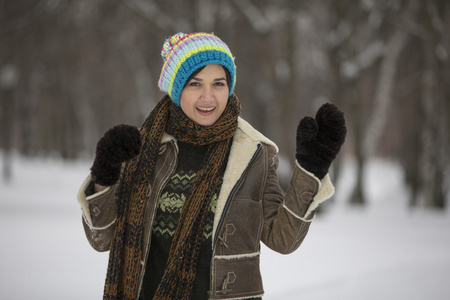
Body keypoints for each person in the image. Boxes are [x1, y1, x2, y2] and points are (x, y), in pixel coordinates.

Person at [77, 32, 346, 300]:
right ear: (176, 88)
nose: (209, 97)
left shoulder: (253, 154)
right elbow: (102, 238)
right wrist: (104, 173)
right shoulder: (144, 148)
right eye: (195, 84)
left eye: (218, 84)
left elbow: (283, 239)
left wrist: (311, 170)